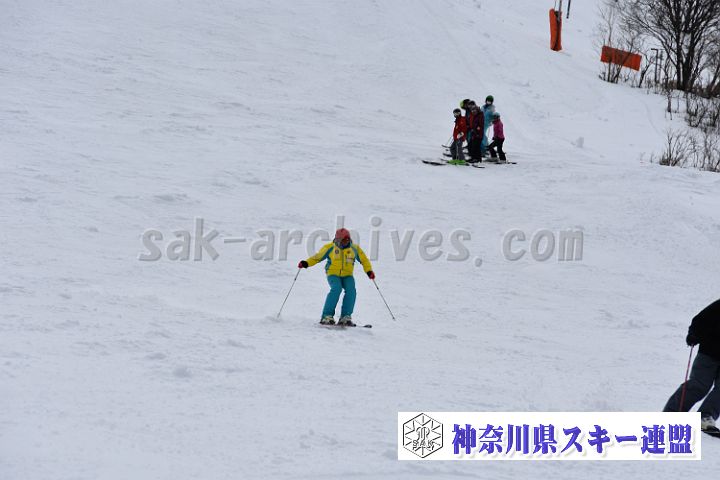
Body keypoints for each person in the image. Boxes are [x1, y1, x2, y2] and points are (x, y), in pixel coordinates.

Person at [663, 298, 720, 433]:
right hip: (709, 352)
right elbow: (701, 319)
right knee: (699, 385)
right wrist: (694, 334)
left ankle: (704, 417)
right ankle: (672, 412)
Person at [298, 228, 375, 326]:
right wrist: (306, 263)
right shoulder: (330, 247)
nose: (345, 242)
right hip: (333, 273)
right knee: (336, 289)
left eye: (347, 239)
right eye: (343, 240)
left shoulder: (354, 249)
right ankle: (327, 316)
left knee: (351, 290)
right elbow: (317, 258)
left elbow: (364, 260)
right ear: (337, 239)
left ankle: (345, 317)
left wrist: (369, 271)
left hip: (347, 275)